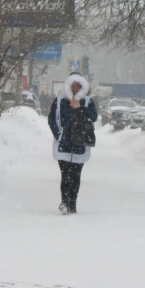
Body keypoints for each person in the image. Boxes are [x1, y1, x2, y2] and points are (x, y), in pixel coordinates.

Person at [47, 72, 98, 215]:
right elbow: (51, 119)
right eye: (72, 85)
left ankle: (72, 204)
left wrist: (79, 107)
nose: (75, 88)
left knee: (75, 176)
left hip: (80, 144)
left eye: (78, 85)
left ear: (82, 86)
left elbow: (93, 117)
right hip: (63, 144)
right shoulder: (60, 100)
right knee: (65, 175)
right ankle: (64, 202)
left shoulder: (87, 101)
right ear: (68, 85)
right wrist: (58, 134)